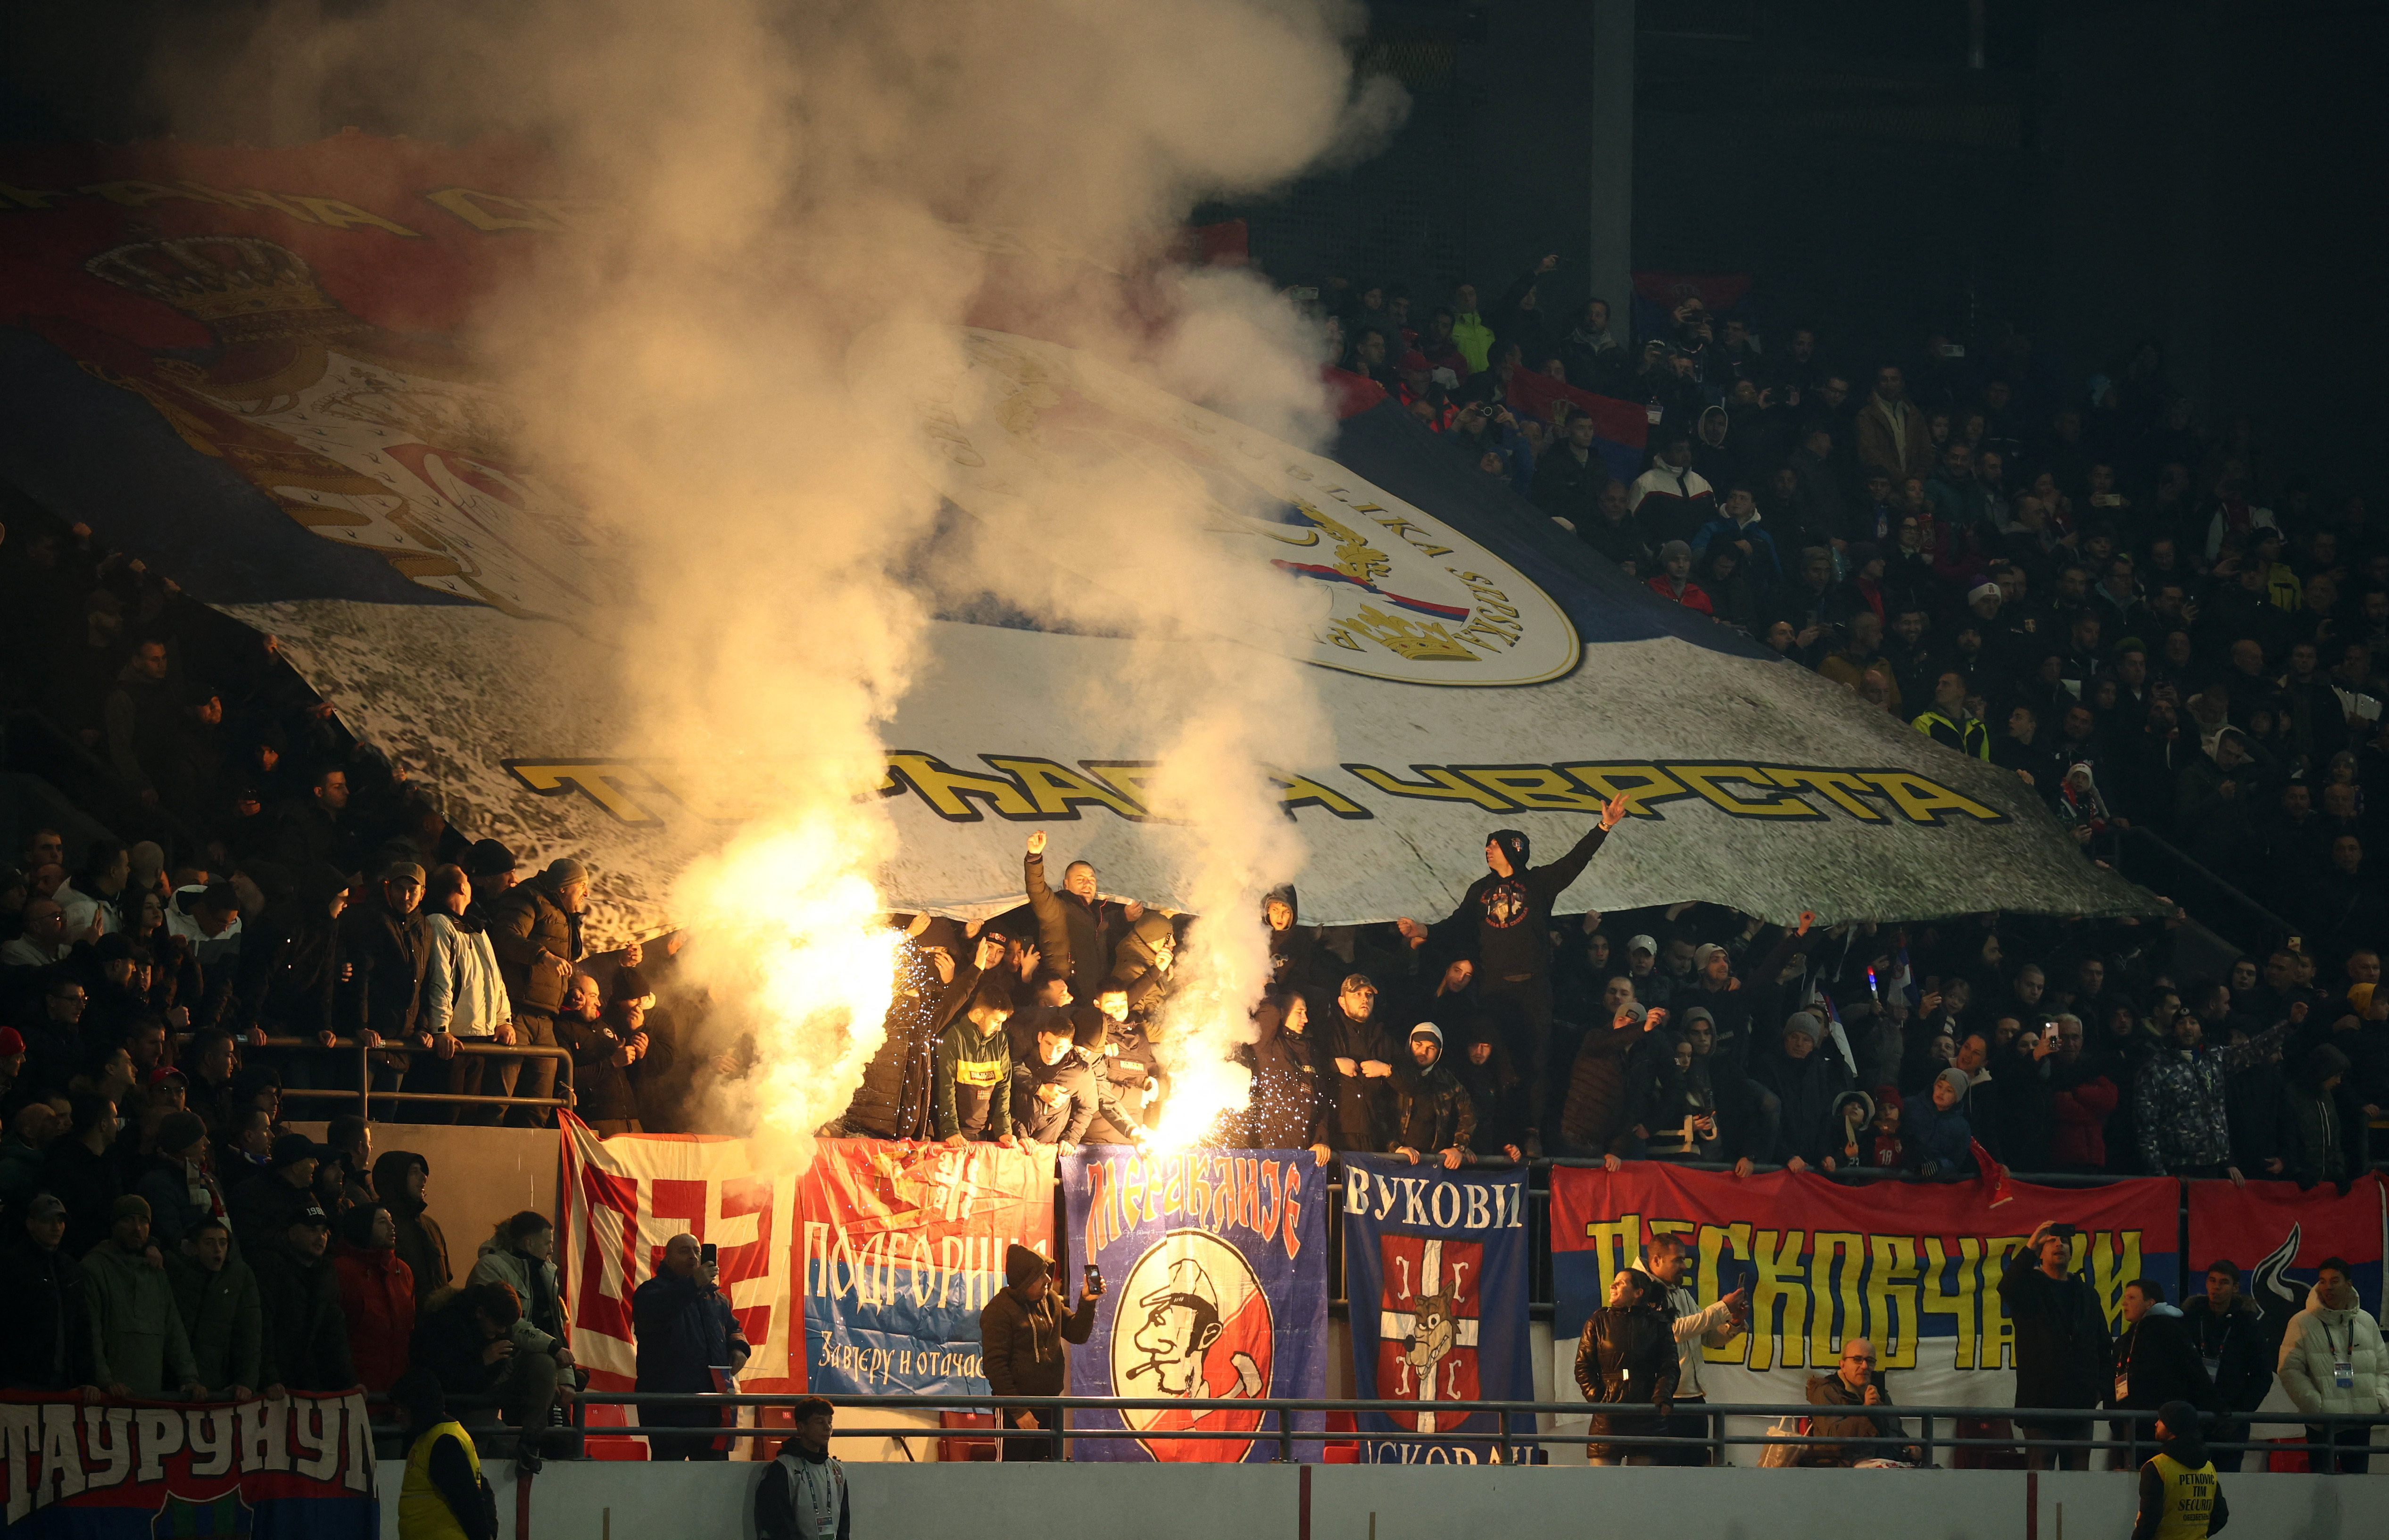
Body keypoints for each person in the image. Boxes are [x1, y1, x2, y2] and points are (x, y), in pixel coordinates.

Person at [1394, 794, 1633, 1149]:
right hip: (1495, 989)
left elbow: (1574, 862)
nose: (1488, 850)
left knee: (1535, 1059)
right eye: (1487, 845)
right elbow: (1457, 925)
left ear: (1512, 849)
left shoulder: (1537, 885)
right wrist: (1423, 930)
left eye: (1494, 845)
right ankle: (1493, 1132)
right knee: (1491, 1052)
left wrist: (1604, 827)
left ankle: (1531, 1132)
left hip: (1533, 988)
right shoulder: (1481, 891)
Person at [1997, 1220, 2115, 1469]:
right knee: (2041, 1481)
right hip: (2041, 1405)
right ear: (2041, 1252)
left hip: (2081, 1407)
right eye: (2051, 1241)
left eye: (2064, 1242)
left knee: (2078, 1482)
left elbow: (2104, 1346)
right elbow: (2007, 1286)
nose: (2059, 1244)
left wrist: (2100, 1391)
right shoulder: (2030, 1288)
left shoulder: (2086, 1294)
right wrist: (2032, 1244)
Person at [487, 858, 590, 1124]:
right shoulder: (527, 898)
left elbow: (564, 963)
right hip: (517, 1014)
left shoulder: (564, 916)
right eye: (582, 886)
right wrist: (542, 956)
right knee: (499, 1100)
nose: (586, 894)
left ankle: (528, 1163)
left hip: (545, 1021)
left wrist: (572, 989)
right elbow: (505, 937)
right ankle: (485, 1156)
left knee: (540, 1105)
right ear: (565, 888)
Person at [633, 1233, 749, 1460]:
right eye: (684, 1251)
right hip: (668, 1409)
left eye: (697, 1251)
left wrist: (739, 1348)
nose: (693, 1257)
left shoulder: (718, 1299)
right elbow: (658, 1312)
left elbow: (734, 1328)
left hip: (711, 1409)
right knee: (669, 1483)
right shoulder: (650, 1292)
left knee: (711, 1484)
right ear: (667, 1259)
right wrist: (693, 1284)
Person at [979, 1244, 1101, 1460]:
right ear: (1024, 1281)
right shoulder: (998, 1311)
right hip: (1016, 1409)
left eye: (1046, 1273)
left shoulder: (1051, 1299)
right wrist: (1019, 1412)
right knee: (1013, 1475)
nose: (1047, 1279)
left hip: (1051, 1404)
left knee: (1047, 1473)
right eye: (1039, 1275)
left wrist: (1088, 1302)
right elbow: (995, 1368)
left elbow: (1077, 1334)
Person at [83, 1194, 206, 1399]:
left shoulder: (155, 1272)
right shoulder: (94, 1268)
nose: (137, 1228)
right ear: (114, 1225)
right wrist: (105, 1381)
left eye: (143, 1221)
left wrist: (190, 1379)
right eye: (128, 1219)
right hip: (107, 1402)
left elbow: (174, 1330)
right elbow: (90, 1332)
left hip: (150, 1402)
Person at [2277, 1255, 2389, 1473]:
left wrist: (2379, 1400)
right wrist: (2317, 1407)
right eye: (2323, 1281)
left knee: (2356, 1490)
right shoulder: (2302, 1322)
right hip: (2322, 1424)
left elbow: (2384, 1367)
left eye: (2335, 1281)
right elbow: (2289, 1370)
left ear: (2349, 1284)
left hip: (2360, 1422)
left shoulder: (2366, 1321)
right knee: (2322, 1489)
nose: (2328, 1287)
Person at [1644, 1234, 1747, 1465]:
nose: (1684, 1266)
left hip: (1694, 1397)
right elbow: (1673, 1332)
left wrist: (1734, 1323)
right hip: (1663, 1399)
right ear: (1657, 1260)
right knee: (1664, 1474)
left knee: (1697, 1471)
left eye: (1684, 1260)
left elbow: (1708, 1338)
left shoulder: (1681, 1292)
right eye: (1678, 1260)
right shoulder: (1642, 1291)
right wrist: (1722, 1308)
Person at [1575, 1267, 1677, 1465]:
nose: (1613, 1285)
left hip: (1646, 1414)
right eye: (1615, 1281)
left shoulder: (1657, 1324)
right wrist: (1598, 1399)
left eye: (1621, 1283)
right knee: (1603, 1490)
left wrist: (1661, 1396)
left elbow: (1670, 1366)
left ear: (1638, 1293)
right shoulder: (1598, 1321)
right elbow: (1583, 1366)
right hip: (1607, 1417)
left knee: (1640, 1491)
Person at [2108, 1279, 2214, 1468]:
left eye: (2132, 1298)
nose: (2124, 1303)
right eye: (2125, 1298)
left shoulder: (2168, 1331)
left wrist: (2218, 1408)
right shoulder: (2127, 1339)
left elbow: (2194, 1371)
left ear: (2150, 1303)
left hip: (2158, 1431)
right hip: (2127, 1428)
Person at [467, 1210, 577, 1391]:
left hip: (539, 1369)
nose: (551, 1250)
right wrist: (552, 1348)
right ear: (529, 1243)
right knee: (543, 1365)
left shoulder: (547, 1274)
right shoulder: (490, 1267)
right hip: (494, 1370)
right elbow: (508, 1323)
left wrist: (566, 1380)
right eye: (548, 1243)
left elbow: (553, 1326)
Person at [255, 1203, 357, 1392]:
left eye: (324, 1232)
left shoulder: (326, 1274)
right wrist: (269, 1378)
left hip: (308, 1383)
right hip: (274, 1386)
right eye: (312, 1230)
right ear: (292, 1234)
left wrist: (349, 1383)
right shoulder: (270, 1268)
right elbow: (262, 1328)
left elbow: (334, 1332)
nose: (321, 1238)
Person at [2182, 1261, 2273, 1472]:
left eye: (2223, 1282)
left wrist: (2240, 1413)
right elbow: (2175, 1366)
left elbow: (2262, 1375)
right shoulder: (2190, 1319)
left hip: (2231, 1418)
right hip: (2193, 1415)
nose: (2216, 1287)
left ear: (2235, 1288)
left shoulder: (2248, 1324)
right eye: (2212, 1281)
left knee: (2227, 1483)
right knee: (2190, 1480)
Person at [0, 1193, 94, 1391]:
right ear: (30, 1224)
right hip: (21, 1380)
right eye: (48, 1221)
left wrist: (86, 1380)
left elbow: (82, 1328)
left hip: (58, 1381)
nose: (56, 1227)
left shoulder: (69, 1267)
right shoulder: (12, 1266)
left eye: (60, 1221)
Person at [165, 1213, 261, 1399]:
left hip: (219, 1383)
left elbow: (250, 1332)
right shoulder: (174, 1270)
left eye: (223, 1243)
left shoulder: (239, 1276)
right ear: (194, 1248)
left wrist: (247, 1381)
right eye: (209, 1243)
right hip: (173, 1382)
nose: (218, 1250)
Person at [395, 1367, 498, 1540]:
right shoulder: (438, 1437)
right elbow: (480, 1492)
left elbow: (469, 1501)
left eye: (402, 1408)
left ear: (418, 1407)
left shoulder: (442, 1442)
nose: (397, 1415)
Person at [333, 1202, 417, 1394]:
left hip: (397, 1392)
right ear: (363, 1227)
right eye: (382, 1222)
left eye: (391, 1220)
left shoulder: (402, 1271)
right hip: (359, 1390)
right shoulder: (341, 1271)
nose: (392, 1226)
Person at [1802, 1337, 1922, 1465]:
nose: (1865, 1366)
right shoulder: (1827, 1390)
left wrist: (1912, 1448)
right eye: (1857, 1360)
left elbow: (1896, 1433)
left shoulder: (1879, 1393)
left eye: (1870, 1361)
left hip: (1885, 1464)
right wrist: (1865, 1411)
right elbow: (1833, 1439)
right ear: (1842, 1364)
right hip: (1842, 1467)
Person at [2130, 1400, 2230, 1540]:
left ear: (2172, 1427)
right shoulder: (2208, 1468)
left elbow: (2149, 1520)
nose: (2156, 1423)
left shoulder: (2157, 1467)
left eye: (2162, 1420)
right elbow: (2221, 1515)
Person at [932, 984, 1017, 1146]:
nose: (999, 1028)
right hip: (954, 1136)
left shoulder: (1000, 1040)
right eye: (996, 1021)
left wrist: (1004, 1131)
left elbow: (1003, 1087)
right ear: (979, 1014)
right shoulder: (953, 1036)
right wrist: (951, 1130)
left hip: (985, 1134)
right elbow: (945, 1087)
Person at [1385, 1022, 1474, 1169]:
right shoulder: (1394, 1073)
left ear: (1439, 1052)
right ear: (1410, 1043)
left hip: (1432, 1167)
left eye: (1431, 1048)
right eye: (1418, 1044)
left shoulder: (1446, 1080)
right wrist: (1395, 1148)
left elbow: (1469, 1112)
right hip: (1394, 1163)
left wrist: (1459, 1148)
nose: (1423, 1052)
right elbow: (1377, 1115)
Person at [756, 1396, 847, 1540]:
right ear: (802, 1428)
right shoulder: (783, 1468)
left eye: (830, 1422)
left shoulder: (837, 1470)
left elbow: (844, 1522)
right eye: (820, 1422)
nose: (827, 1427)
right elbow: (778, 1521)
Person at [376, 1150, 453, 1310]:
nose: (424, 1177)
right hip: (404, 1323)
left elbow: (445, 1279)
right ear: (396, 1179)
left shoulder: (431, 1226)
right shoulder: (381, 1227)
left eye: (423, 1171)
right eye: (413, 1172)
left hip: (439, 1325)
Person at [230, 1132, 326, 1258]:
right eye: (311, 1159)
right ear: (296, 1167)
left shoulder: (307, 1195)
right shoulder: (251, 1194)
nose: (317, 1164)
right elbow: (252, 1239)